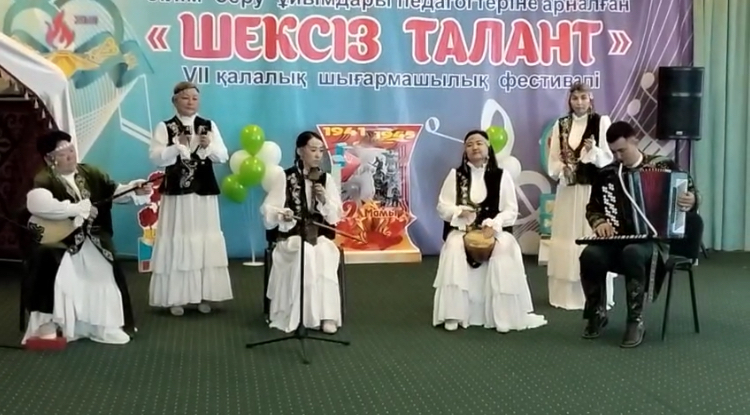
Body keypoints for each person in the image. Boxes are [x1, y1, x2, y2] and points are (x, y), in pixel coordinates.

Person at [23, 130, 152, 345]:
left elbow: (114, 191)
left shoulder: (90, 172)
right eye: (63, 153)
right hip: (61, 242)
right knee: (57, 270)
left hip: (94, 237)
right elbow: (38, 204)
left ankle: (104, 326)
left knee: (103, 271)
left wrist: (134, 190)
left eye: (71, 150)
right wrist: (76, 209)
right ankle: (56, 326)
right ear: (49, 159)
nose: (70, 156)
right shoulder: (44, 179)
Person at [579, 121, 698, 348]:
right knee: (589, 255)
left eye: (622, 150)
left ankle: (635, 320)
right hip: (618, 240)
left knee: (633, 252)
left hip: (655, 242)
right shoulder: (607, 174)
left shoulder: (663, 165)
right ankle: (596, 313)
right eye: (613, 152)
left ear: (635, 141)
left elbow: (691, 193)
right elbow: (593, 208)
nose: (618, 157)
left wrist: (691, 200)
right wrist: (600, 221)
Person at [433, 130, 547, 333]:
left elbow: (511, 209)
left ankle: (502, 315)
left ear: (488, 148)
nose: (474, 147)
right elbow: (443, 206)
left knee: (505, 246)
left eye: (479, 143)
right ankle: (454, 314)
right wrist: (458, 212)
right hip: (463, 230)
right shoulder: (456, 175)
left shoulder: (502, 176)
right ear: (465, 151)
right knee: (453, 246)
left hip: (493, 230)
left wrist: (496, 223)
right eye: (469, 144)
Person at [148, 81, 232, 316]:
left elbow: (223, 156)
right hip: (178, 194)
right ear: (175, 100)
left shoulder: (208, 125)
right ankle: (177, 296)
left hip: (203, 192)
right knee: (179, 238)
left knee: (204, 239)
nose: (190, 102)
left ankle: (203, 295)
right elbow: (156, 157)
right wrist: (177, 147)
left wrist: (208, 146)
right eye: (185, 98)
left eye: (195, 98)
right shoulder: (165, 127)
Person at [260, 131, 344, 334]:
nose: (318, 155)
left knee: (324, 253)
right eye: (313, 150)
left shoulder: (325, 179)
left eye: (321, 151)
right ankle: (302, 316)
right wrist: (284, 214)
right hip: (292, 239)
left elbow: (335, 216)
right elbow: (268, 210)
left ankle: (327, 316)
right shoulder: (285, 177)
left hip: (318, 237)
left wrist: (324, 200)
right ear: (300, 151)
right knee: (306, 254)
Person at [546, 82, 618, 310]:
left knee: (589, 236)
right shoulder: (560, 125)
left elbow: (609, 158)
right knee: (567, 236)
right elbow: (553, 158)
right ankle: (566, 295)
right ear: (569, 100)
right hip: (568, 191)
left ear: (590, 99)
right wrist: (562, 169)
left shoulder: (601, 122)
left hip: (591, 191)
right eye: (575, 98)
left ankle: (594, 294)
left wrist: (593, 151)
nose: (579, 102)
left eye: (583, 97)